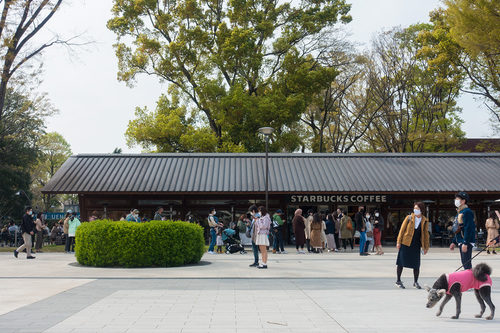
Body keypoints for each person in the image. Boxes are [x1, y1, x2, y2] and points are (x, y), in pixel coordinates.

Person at [395, 202, 429, 289]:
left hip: (416, 243)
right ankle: (398, 280)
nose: (415, 210)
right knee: (401, 261)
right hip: (406, 242)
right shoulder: (409, 217)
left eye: (417, 208)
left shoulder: (424, 220)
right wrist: (399, 242)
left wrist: (426, 247)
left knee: (416, 264)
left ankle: (415, 282)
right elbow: (402, 230)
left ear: (421, 210)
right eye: (414, 208)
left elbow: (425, 234)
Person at [449, 192, 476, 270]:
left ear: (463, 201)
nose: (456, 201)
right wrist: (454, 242)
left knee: (467, 264)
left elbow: (469, 228)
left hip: (466, 241)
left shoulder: (467, 212)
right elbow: (458, 229)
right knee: (464, 263)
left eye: (457, 199)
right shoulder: (460, 212)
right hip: (461, 240)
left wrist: (465, 243)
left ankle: (469, 280)